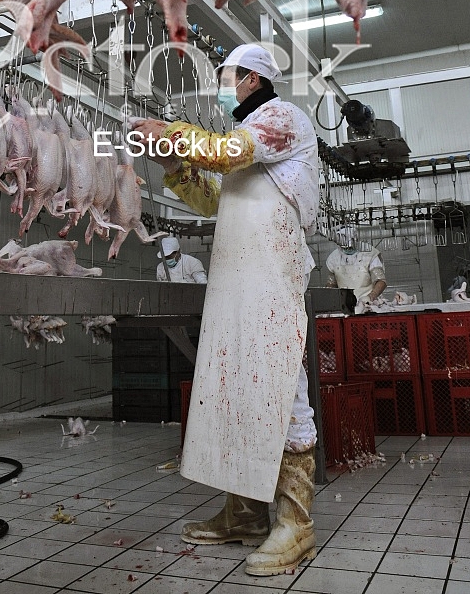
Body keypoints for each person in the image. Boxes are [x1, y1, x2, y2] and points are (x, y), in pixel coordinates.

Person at [130, 43, 319, 576]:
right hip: (236, 280)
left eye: (226, 77)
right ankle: (245, 515)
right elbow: (212, 200)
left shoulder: (281, 118)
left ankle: (296, 523)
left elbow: (224, 153)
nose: (222, 87)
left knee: (281, 388)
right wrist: (174, 164)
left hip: (272, 275)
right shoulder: (248, 138)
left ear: (253, 78)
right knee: (236, 389)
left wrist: (170, 133)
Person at [325, 226, 387, 312]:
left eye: (350, 246)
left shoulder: (369, 254)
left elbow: (381, 281)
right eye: (345, 247)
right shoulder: (333, 258)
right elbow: (331, 284)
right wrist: (331, 300)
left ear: (356, 240)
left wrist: (371, 296)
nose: (348, 249)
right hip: (345, 307)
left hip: (369, 305)